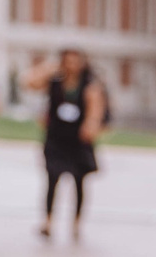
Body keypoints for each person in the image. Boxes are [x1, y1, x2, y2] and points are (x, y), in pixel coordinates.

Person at [22, 47, 104, 239]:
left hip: (77, 140)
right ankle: (48, 221)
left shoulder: (89, 85)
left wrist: (91, 125)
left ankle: (76, 223)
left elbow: (95, 108)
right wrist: (49, 67)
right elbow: (28, 82)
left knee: (78, 182)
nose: (71, 65)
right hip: (56, 138)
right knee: (51, 179)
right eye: (67, 61)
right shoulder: (55, 80)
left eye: (75, 61)